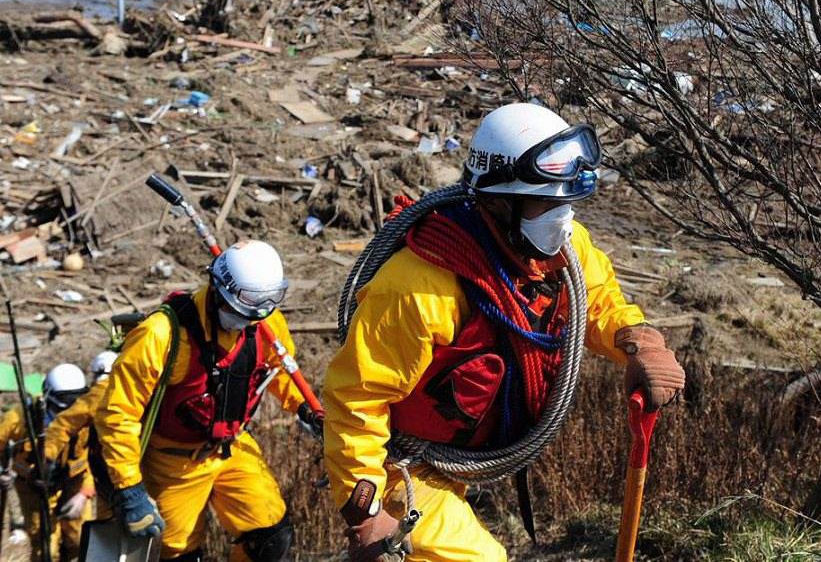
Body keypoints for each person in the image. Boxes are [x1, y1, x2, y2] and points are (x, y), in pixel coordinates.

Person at [323, 103, 686, 561]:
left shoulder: (559, 251)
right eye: (547, 203)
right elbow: (357, 397)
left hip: (463, 460)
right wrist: (366, 512)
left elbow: (597, 299)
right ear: (497, 202)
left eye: (566, 203)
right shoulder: (419, 287)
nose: (563, 218)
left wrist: (637, 341)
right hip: (402, 469)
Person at [95, 240, 318, 562]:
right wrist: (129, 488)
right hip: (173, 462)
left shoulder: (265, 322)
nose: (247, 321)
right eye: (240, 312)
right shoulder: (162, 334)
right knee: (175, 552)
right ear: (218, 290)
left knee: (270, 538)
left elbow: (280, 371)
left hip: (232, 446)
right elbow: (118, 413)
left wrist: (304, 407)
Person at [0, 362, 91, 561]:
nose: (72, 405)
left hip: (73, 486)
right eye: (66, 399)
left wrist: (84, 494)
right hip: (33, 490)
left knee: (79, 541)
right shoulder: (19, 418)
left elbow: (96, 458)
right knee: (46, 550)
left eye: (77, 398)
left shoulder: (88, 418)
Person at [44, 350, 119, 518]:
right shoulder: (26, 420)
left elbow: (88, 463)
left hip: (93, 481)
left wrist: (84, 493)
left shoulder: (88, 420)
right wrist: (45, 461)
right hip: (45, 488)